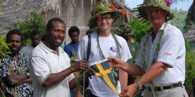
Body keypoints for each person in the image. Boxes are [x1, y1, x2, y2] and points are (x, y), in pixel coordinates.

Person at [109, 0, 189, 97]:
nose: (153, 14)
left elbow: (161, 65)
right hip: (150, 92)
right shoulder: (146, 39)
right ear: (146, 15)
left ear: (165, 13)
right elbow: (141, 68)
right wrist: (122, 65)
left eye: (157, 10)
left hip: (171, 92)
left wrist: (136, 85)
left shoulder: (172, 33)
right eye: (149, 11)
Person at [77, 2, 132, 97]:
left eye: (107, 18)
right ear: (96, 21)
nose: (103, 21)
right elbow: (79, 71)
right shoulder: (86, 40)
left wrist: (123, 93)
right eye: (100, 18)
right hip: (92, 94)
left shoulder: (121, 41)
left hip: (115, 93)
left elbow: (123, 70)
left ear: (112, 20)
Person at [31, 17, 87, 97]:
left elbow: (69, 84)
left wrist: (84, 76)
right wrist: (72, 68)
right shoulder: (38, 52)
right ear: (47, 32)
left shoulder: (63, 53)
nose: (60, 35)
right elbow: (45, 81)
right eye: (57, 31)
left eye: (63, 32)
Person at [0, 29, 33, 97]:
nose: (14, 44)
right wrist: (26, 76)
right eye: (12, 41)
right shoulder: (3, 58)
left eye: (17, 41)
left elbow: (33, 78)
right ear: (7, 42)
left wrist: (17, 78)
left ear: (21, 43)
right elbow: (11, 81)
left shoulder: (23, 57)